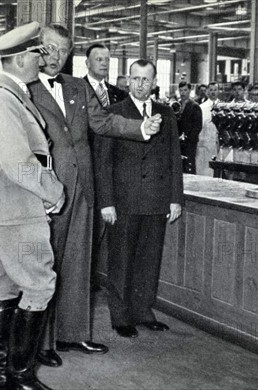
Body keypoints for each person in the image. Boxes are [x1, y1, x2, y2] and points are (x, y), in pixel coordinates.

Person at [28, 24, 162, 368]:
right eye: (49, 49)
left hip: (83, 190)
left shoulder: (76, 86)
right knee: (43, 267)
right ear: (36, 49)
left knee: (77, 266)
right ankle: (40, 341)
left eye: (63, 51)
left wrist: (139, 128)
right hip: (46, 191)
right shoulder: (23, 89)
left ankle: (73, 334)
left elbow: (104, 122)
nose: (55, 57)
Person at [0, 22, 65, 390]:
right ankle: (20, 376)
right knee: (40, 283)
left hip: (14, 202)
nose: (43, 60)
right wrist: (54, 191)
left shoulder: (13, 94)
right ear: (19, 58)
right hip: (18, 203)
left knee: (10, 283)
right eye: (37, 53)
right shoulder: (2, 97)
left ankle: (0, 375)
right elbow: (18, 162)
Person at [94, 59, 184, 338]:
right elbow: (103, 162)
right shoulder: (113, 113)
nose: (140, 84)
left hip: (156, 201)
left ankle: (143, 311)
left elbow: (173, 159)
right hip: (123, 202)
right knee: (121, 261)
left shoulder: (166, 113)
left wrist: (175, 198)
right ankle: (120, 316)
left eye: (146, 79)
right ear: (127, 81)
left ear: (155, 82)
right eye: (135, 79)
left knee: (148, 260)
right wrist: (106, 202)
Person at [82, 42, 128, 295]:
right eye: (98, 58)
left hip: (111, 169)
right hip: (86, 168)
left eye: (107, 59)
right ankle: (83, 280)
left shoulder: (117, 93)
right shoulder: (76, 89)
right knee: (86, 229)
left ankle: (98, 278)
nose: (104, 62)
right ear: (87, 63)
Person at [177, 81, 203, 174]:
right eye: (181, 90)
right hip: (178, 142)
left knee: (189, 165)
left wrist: (187, 139)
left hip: (190, 143)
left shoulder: (194, 106)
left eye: (185, 90)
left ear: (190, 91)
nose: (183, 93)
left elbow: (198, 126)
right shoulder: (176, 105)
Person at [197, 81, 220, 176]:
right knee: (205, 170)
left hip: (218, 143)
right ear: (207, 92)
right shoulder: (201, 107)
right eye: (211, 90)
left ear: (218, 91)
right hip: (205, 143)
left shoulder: (223, 106)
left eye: (215, 90)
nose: (213, 92)